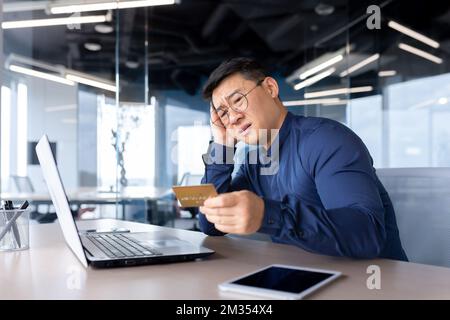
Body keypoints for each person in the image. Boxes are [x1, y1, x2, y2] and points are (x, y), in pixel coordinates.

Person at [198, 57, 407, 260]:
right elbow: (210, 224)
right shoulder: (254, 162)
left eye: (238, 100)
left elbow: (367, 235)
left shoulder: (325, 140)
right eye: (223, 114)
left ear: (270, 88)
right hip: (303, 280)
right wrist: (222, 145)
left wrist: (268, 215)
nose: (233, 117)